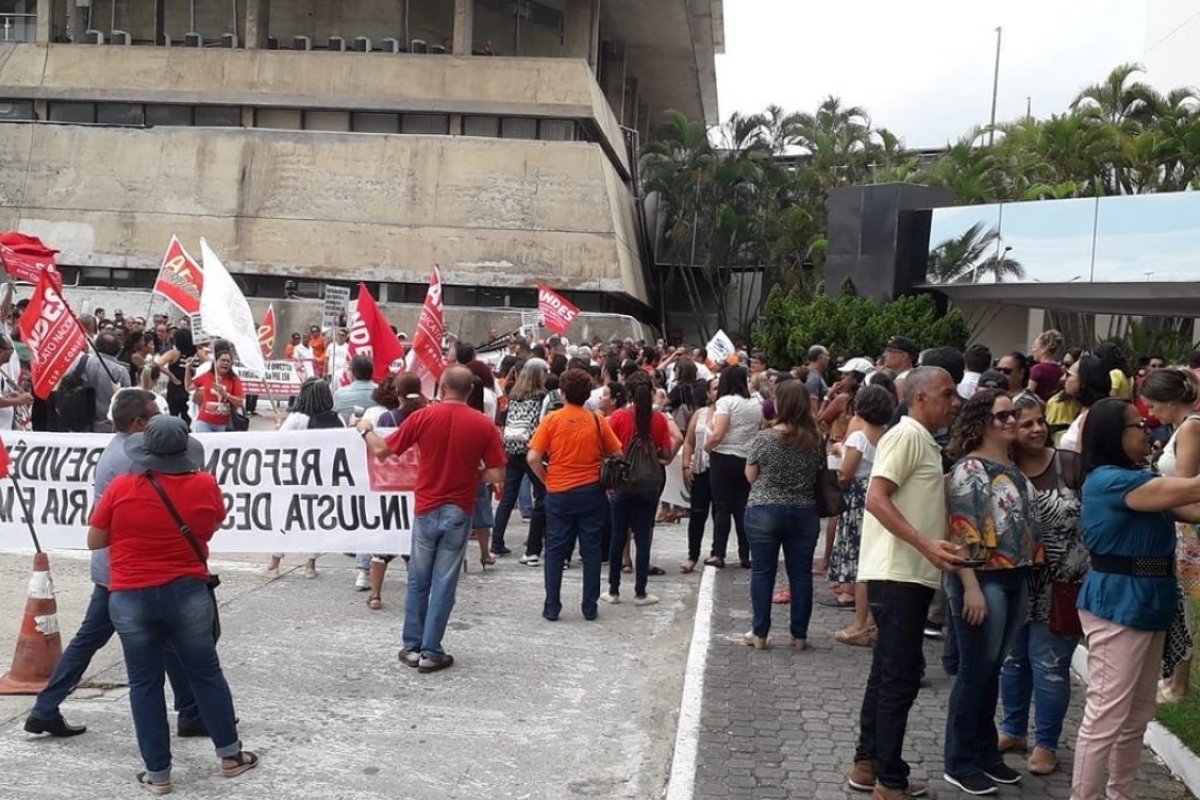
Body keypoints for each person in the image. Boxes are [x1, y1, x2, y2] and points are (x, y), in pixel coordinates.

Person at [25, 390, 209, 740]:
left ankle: (190, 711)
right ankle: (45, 708)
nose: (159, 419)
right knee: (119, 641)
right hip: (127, 570)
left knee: (157, 640)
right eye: (154, 415)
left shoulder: (122, 449)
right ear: (138, 423)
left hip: (119, 568)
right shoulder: (134, 460)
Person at [87, 416, 256, 793]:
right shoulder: (205, 484)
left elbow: (95, 540)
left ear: (145, 452)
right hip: (187, 591)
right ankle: (230, 755)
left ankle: (158, 774)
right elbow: (211, 526)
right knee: (205, 672)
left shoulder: (121, 487)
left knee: (144, 682)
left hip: (130, 595)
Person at [1070, 398, 1200, 800]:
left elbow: (1191, 508)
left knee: (1137, 714)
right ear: (1113, 435)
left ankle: (1120, 794)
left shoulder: (1135, 478)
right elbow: (1193, 488)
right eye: (1137, 425)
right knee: (1107, 714)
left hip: (1147, 600)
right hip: (1119, 601)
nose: (1147, 430)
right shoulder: (1111, 481)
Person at [848, 367, 964, 800]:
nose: (954, 402)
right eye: (946, 394)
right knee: (899, 677)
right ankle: (889, 781)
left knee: (888, 672)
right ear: (919, 398)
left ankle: (869, 764)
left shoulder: (923, 441)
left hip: (906, 574)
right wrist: (925, 544)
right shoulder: (907, 436)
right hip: (898, 573)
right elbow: (876, 498)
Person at [357, 366, 505, 672]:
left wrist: (365, 429)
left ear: (441, 389)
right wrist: (471, 473)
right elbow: (496, 474)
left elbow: (382, 451)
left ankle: (412, 645)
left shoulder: (423, 417)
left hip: (426, 507)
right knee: (444, 583)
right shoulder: (483, 424)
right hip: (459, 510)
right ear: (469, 392)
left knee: (418, 579)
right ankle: (431, 651)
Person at [942, 389, 1040, 795]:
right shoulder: (970, 469)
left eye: (1013, 413)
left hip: (1015, 575)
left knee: (991, 670)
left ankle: (985, 754)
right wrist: (970, 587)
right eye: (1003, 416)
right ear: (982, 422)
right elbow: (961, 531)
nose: (1012, 420)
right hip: (983, 578)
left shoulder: (1011, 466)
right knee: (975, 671)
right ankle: (959, 761)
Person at [998, 394, 1087, 777]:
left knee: (1049, 666)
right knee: (1013, 661)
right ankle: (1013, 731)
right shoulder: (1003, 468)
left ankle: (1046, 744)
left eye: (1040, 421)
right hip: (1015, 582)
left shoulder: (1070, 465)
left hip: (1062, 586)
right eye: (1026, 424)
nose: (1037, 429)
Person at [526, 368, 623, 622]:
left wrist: (547, 480)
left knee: (555, 549)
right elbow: (617, 454)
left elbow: (533, 457)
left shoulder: (551, 420)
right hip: (591, 491)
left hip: (559, 491)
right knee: (591, 550)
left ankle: (552, 605)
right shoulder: (597, 420)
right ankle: (589, 606)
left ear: (563, 393)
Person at [740, 378, 824, 650]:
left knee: (762, 572)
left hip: (764, 509)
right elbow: (819, 474)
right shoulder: (815, 439)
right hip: (804, 510)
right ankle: (799, 636)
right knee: (800, 574)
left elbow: (751, 476)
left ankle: (760, 633)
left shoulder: (764, 438)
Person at [1140, 367, 1200, 705]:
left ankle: (1179, 684)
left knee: (1184, 603)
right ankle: (1175, 677)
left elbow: (1185, 485)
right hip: (1178, 523)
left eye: (1153, 405)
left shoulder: (1190, 428)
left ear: (1169, 401)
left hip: (1186, 528)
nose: (1151, 412)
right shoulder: (1183, 428)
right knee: (1180, 602)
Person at [602, 371, 676, 607]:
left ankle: (613, 590)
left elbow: (606, 448)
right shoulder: (659, 419)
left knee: (618, 536)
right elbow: (667, 452)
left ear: (628, 392)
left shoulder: (618, 417)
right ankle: (641, 592)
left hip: (622, 485)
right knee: (644, 538)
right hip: (648, 487)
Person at [832, 385, 897, 645]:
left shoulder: (859, 438)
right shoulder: (890, 436)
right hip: (883, 497)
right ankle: (872, 622)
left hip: (858, 500)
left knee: (862, 564)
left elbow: (846, 474)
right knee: (876, 560)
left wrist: (839, 454)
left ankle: (859, 624)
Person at [260, 378, 343, 580]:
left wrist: (278, 425)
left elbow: (280, 440)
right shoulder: (337, 418)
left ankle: (275, 562)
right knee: (316, 519)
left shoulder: (298, 418)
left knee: (285, 516)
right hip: (325, 478)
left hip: (298, 476)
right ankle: (310, 564)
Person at [703, 365, 763, 568]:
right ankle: (745, 554)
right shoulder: (755, 403)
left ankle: (719, 553)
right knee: (742, 507)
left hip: (724, 457)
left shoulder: (726, 402)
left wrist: (707, 447)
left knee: (722, 507)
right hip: (747, 457)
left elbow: (719, 433)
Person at [493, 358, 549, 564]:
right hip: (531, 448)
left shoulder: (513, 395)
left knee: (508, 497)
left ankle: (496, 542)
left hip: (513, 448)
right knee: (542, 494)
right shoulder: (541, 396)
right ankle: (537, 539)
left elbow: (503, 420)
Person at [681, 377, 720, 573]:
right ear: (708, 393)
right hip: (700, 470)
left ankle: (717, 552)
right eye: (714, 388)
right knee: (697, 514)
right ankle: (692, 555)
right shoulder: (700, 414)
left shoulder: (729, 414)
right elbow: (688, 442)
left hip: (720, 471)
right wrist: (685, 466)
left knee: (719, 514)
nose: (717, 392)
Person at [1058, 356, 1112, 453]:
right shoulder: (1087, 411)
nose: (1063, 378)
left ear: (1083, 382)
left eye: (1068, 374)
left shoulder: (1091, 416)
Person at [84, 331, 133, 433]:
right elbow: (127, 400)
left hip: (82, 424)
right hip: (108, 426)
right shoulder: (121, 372)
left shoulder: (82, 363)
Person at [185, 349, 244, 433]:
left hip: (224, 424)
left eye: (228, 361)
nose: (226, 363)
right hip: (204, 421)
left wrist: (225, 395)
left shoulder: (234, 380)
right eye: (223, 360)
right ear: (215, 362)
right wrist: (187, 368)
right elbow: (189, 387)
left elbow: (240, 403)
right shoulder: (207, 376)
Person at [156, 328, 197, 424]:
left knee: (172, 417)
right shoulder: (196, 354)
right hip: (191, 388)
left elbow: (157, 364)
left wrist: (172, 376)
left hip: (176, 387)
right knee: (188, 418)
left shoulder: (174, 353)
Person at [332, 354, 377, 423]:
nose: (347, 372)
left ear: (352, 373)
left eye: (349, 369)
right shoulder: (382, 394)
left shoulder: (340, 395)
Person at [1027, 330, 1065, 403]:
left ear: (1044, 349)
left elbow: (1029, 394)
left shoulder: (1037, 369)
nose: (1033, 350)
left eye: (1035, 347)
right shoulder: (1060, 369)